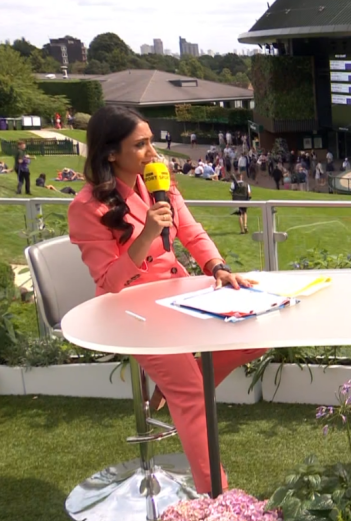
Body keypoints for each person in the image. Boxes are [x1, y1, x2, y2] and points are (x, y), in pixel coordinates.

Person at [67, 105, 267, 496]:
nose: (153, 154)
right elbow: (109, 282)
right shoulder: (87, 207)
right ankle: (219, 501)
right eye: (140, 145)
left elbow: (191, 229)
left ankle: (179, 380)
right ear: (110, 153)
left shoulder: (159, 183)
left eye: (151, 142)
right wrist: (144, 237)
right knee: (192, 396)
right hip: (129, 311)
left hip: (177, 294)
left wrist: (217, 267)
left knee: (256, 327)